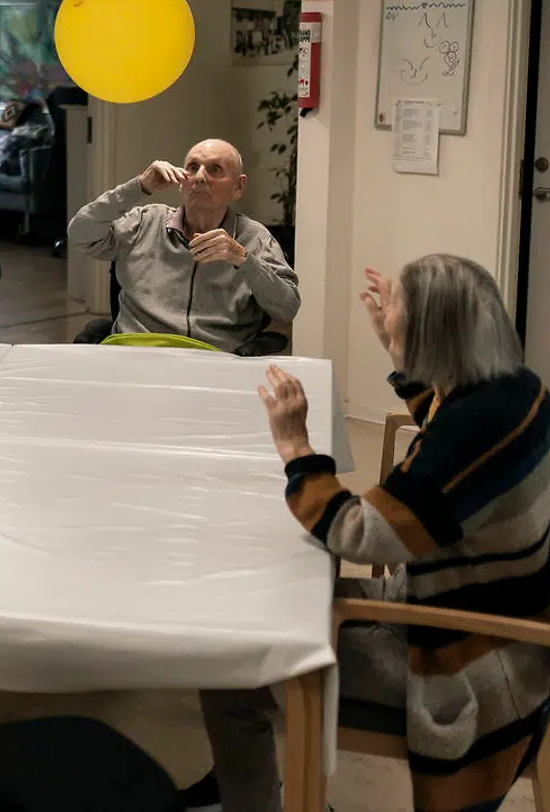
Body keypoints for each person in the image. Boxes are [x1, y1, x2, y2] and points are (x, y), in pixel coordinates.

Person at [186, 256, 550, 812]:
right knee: (274, 607)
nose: (386, 312)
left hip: (469, 660)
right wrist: (395, 346)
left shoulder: (472, 429)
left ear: (433, 331)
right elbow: (442, 426)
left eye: (397, 307)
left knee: (232, 670)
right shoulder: (513, 388)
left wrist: (296, 449)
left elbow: (359, 534)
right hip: (498, 620)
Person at [66, 138, 299, 354]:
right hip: (136, 355)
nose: (199, 177)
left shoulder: (254, 238)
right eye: (192, 167)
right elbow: (79, 234)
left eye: (214, 169)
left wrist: (244, 260)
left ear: (238, 186)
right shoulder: (145, 222)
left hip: (213, 364)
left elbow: (287, 308)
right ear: (180, 181)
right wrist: (138, 186)